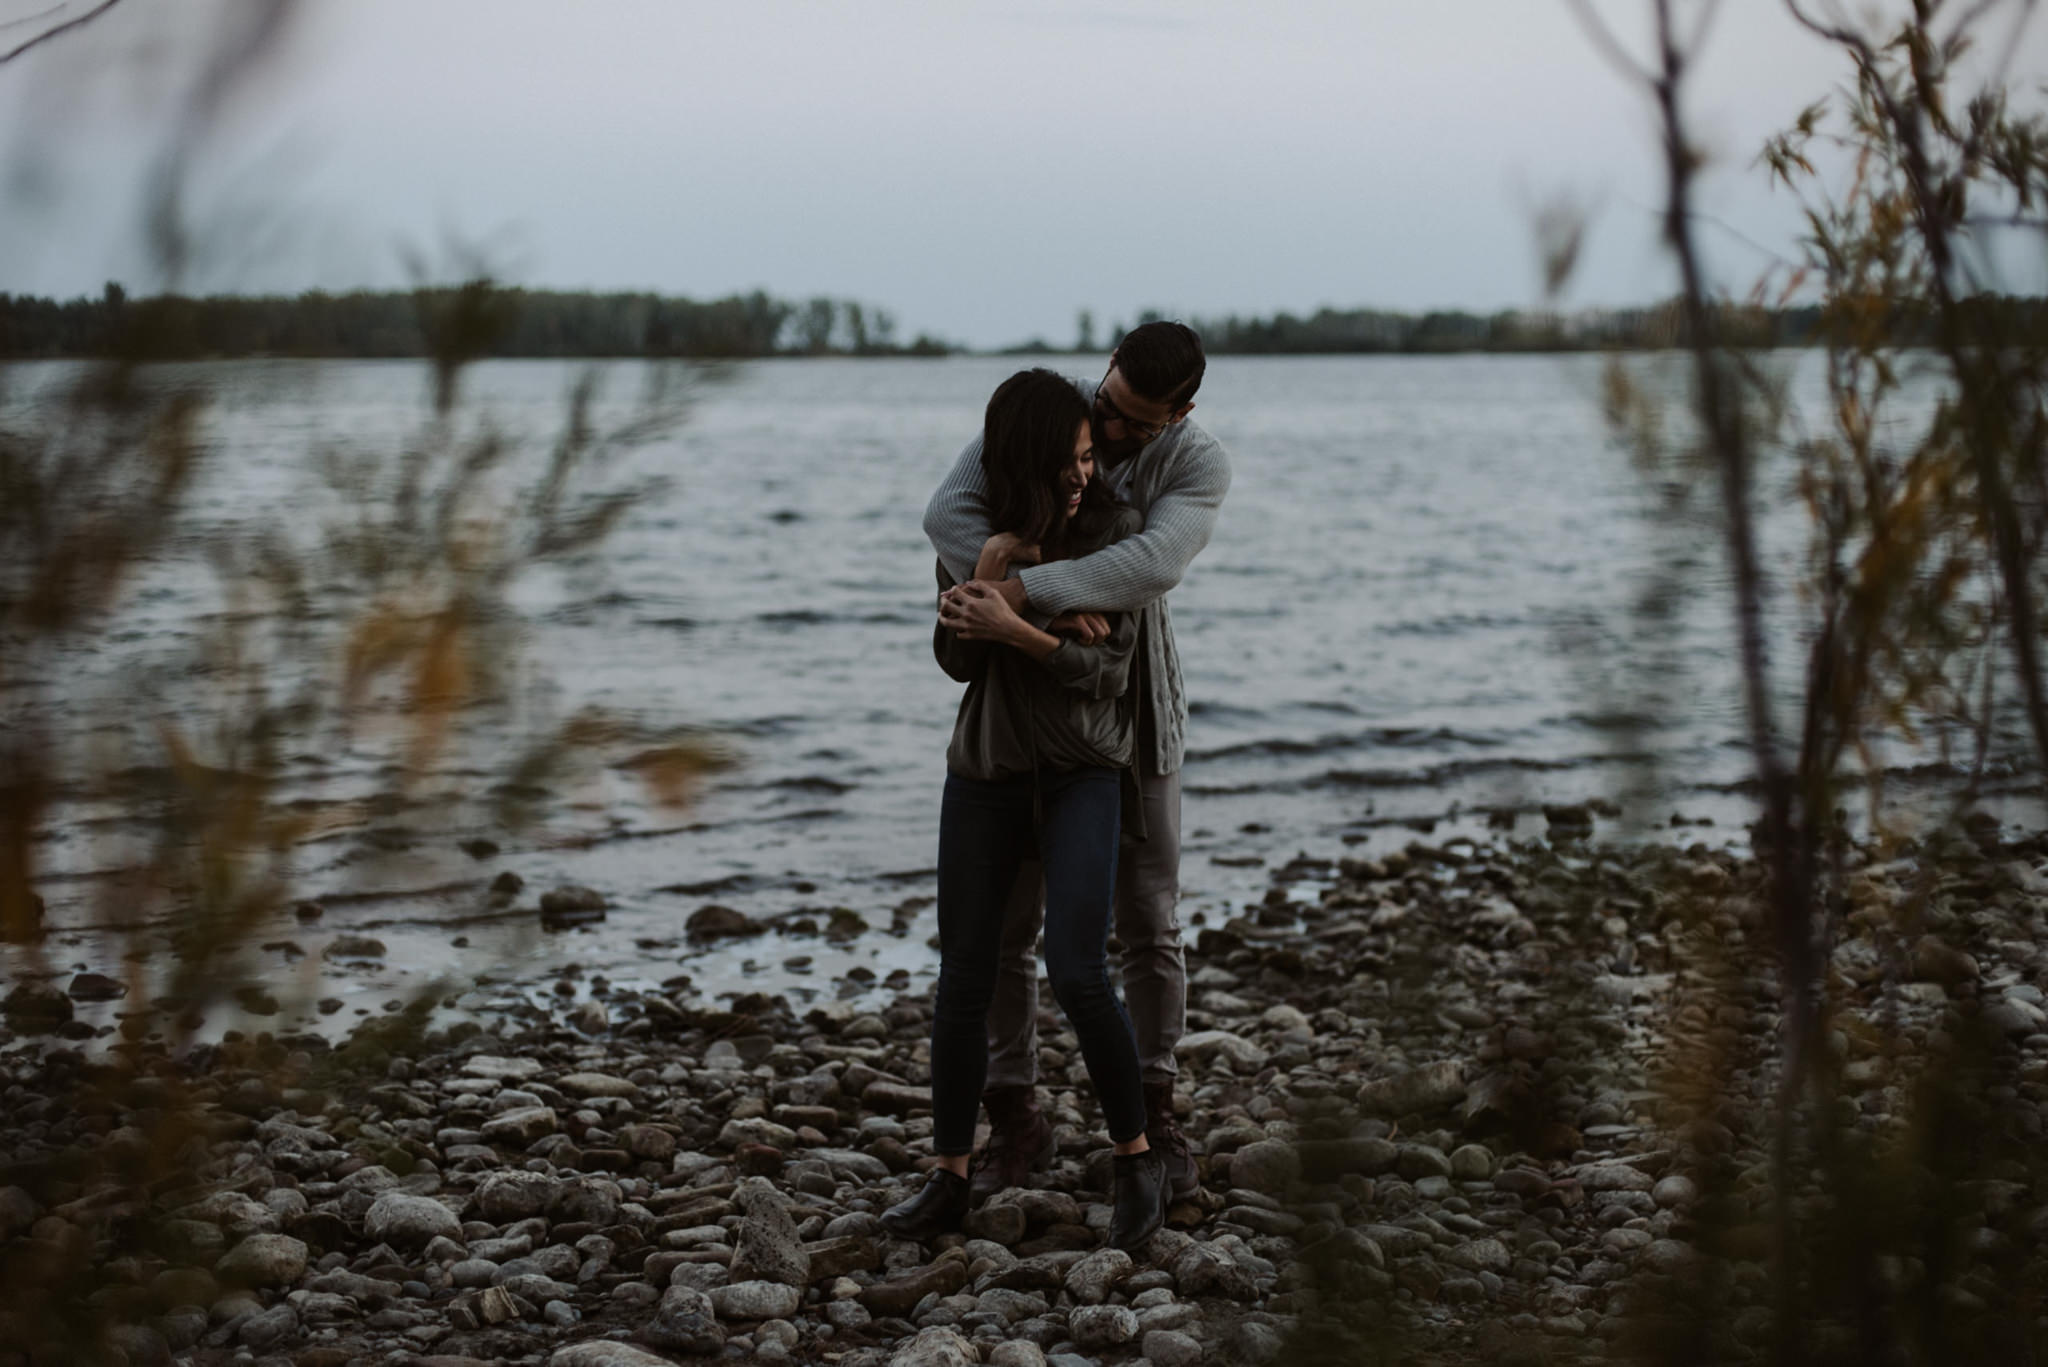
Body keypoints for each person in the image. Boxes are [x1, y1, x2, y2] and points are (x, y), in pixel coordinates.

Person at [922, 322, 1229, 1204]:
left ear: (1177, 415)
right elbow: (943, 518)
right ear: (1103, 376)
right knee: (999, 941)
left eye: (1133, 424)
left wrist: (1021, 599)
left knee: (1145, 917)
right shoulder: (1046, 425)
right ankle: (1014, 1116)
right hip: (1013, 740)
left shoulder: (1195, 465)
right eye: (1107, 407)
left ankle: (1153, 1114)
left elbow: (1151, 563)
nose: (1108, 439)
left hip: (1135, 717)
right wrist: (1001, 591)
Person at [880, 368, 1166, 1251]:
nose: (1086, 473)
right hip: (985, 772)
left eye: (1090, 455)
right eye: (1071, 459)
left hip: (1084, 772)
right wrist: (999, 571)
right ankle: (950, 1176)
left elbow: (1108, 677)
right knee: (964, 974)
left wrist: (1023, 628)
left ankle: (1138, 1159)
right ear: (1026, 461)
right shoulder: (977, 539)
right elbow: (956, 660)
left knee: (1080, 967)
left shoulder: (1117, 536)